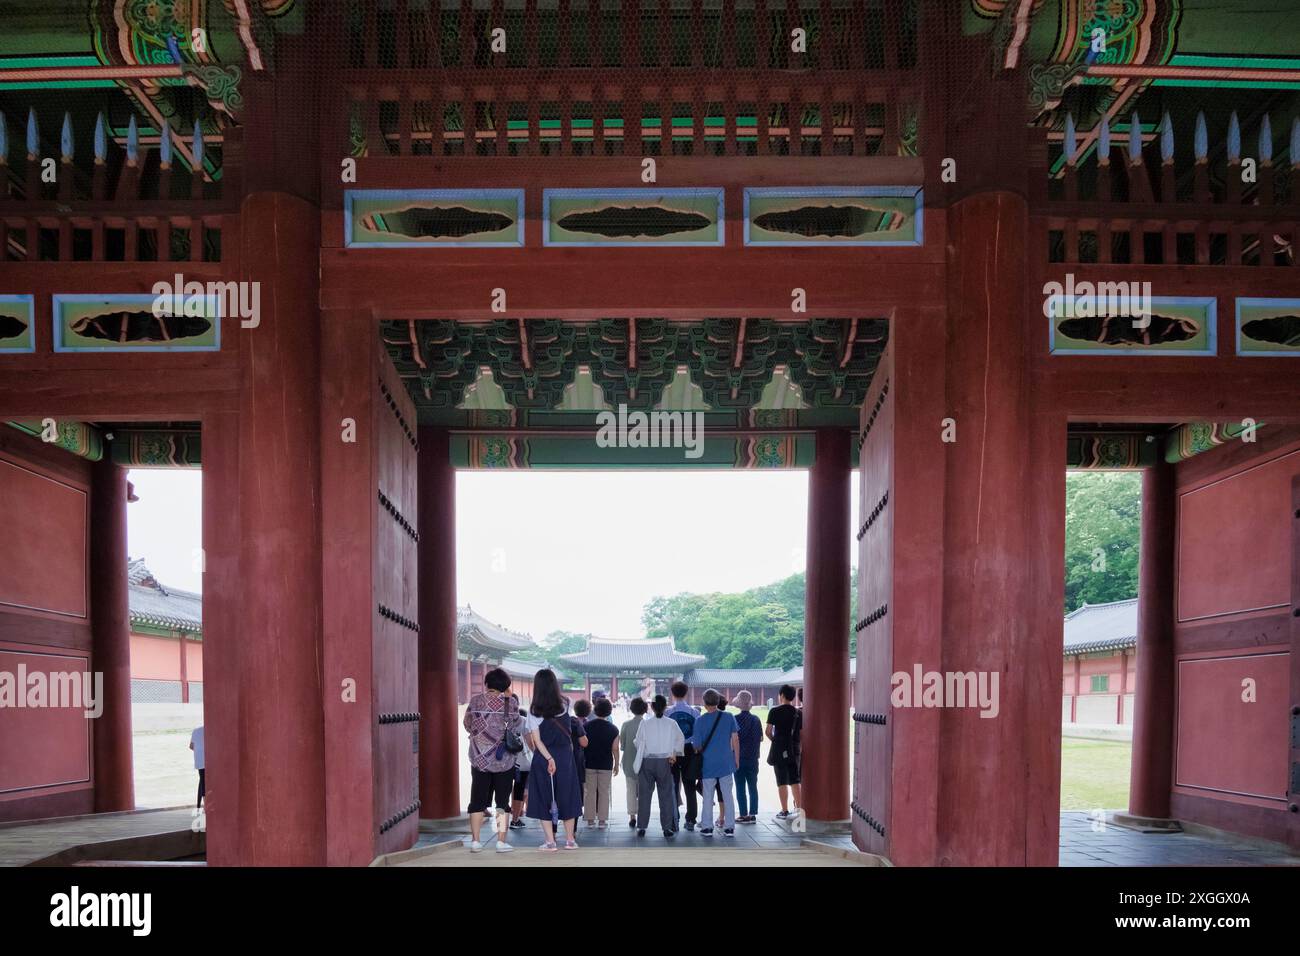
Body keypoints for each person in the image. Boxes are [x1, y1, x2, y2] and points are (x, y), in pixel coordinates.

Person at [463, 667, 522, 853]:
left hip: (480, 758)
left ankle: (475, 841)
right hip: (503, 760)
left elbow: (467, 724)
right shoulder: (511, 703)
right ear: (506, 685)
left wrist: (481, 736)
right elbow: (516, 726)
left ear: (487, 683)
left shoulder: (475, 700)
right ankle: (501, 842)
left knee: (477, 801)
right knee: (502, 803)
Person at [524, 669, 584, 851]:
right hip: (565, 757)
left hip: (544, 758)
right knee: (568, 795)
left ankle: (550, 842)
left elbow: (537, 740)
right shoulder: (566, 703)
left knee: (543, 797)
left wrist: (549, 758)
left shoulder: (534, 711)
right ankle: (570, 840)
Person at [633, 694, 685, 838]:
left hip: (647, 761)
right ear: (665, 707)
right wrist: (673, 753)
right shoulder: (671, 723)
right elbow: (680, 739)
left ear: (652, 707)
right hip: (665, 761)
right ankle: (667, 828)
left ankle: (642, 826)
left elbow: (638, 742)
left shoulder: (645, 723)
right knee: (666, 795)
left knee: (644, 795)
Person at [690, 689, 739, 837]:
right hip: (726, 762)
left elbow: (697, 745)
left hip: (708, 764)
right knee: (728, 795)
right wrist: (736, 759)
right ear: (718, 702)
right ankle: (729, 827)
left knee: (708, 796)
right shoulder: (729, 717)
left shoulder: (700, 721)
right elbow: (735, 739)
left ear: (704, 703)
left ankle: (707, 827)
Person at [665, 681, 699, 831]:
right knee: (689, 785)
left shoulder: (667, 713)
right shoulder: (694, 712)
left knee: (672, 785)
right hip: (689, 749)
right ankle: (691, 819)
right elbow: (697, 734)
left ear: (672, 694)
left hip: (672, 750)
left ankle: (674, 818)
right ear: (686, 693)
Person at [582, 696, 620, 828]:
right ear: (609, 711)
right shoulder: (614, 729)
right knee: (604, 792)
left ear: (595, 710)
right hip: (606, 764)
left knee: (589, 792)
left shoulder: (586, 726)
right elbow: (615, 748)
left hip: (589, 763)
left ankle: (590, 820)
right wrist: (616, 764)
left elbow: (582, 744)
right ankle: (602, 820)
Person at [766, 684, 802, 818]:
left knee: (781, 781)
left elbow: (768, 731)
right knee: (795, 780)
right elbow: (802, 734)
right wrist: (798, 748)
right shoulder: (798, 713)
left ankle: (785, 810)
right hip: (794, 749)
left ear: (781, 695)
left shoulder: (774, 711)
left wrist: (776, 741)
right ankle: (799, 810)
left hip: (779, 750)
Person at [732, 691, 762, 822]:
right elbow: (760, 738)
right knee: (753, 786)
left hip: (738, 758)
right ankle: (753, 813)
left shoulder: (735, 719)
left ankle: (743, 814)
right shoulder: (756, 719)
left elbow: (733, 739)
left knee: (740, 787)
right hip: (753, 758)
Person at [619, 696, 647, 827]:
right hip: (645, 762)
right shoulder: (648, 724)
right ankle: (642, 814)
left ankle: (632, 816)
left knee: (630, 789)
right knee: (643, 791)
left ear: (631, 709)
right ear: (645, 709)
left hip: (629, 761)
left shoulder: (626, 725)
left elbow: (623, 746)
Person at [509, 693, 533, 830]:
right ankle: (515, 819)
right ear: (517, 705)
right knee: (519, 789)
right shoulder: (523, 721)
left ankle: (501, 823)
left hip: (501, 762)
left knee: (502, 791)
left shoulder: (498, 721)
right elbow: (531, 743)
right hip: (521, 762)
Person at [188, 725, 205, 813]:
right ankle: (206, 806)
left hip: (199, 760)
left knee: (202, 781)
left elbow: (191, 746)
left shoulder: (195, 730)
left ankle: (199, 805)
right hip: (207, 760)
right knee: (204, 783)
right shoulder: (211, 730)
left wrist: (199, 751)